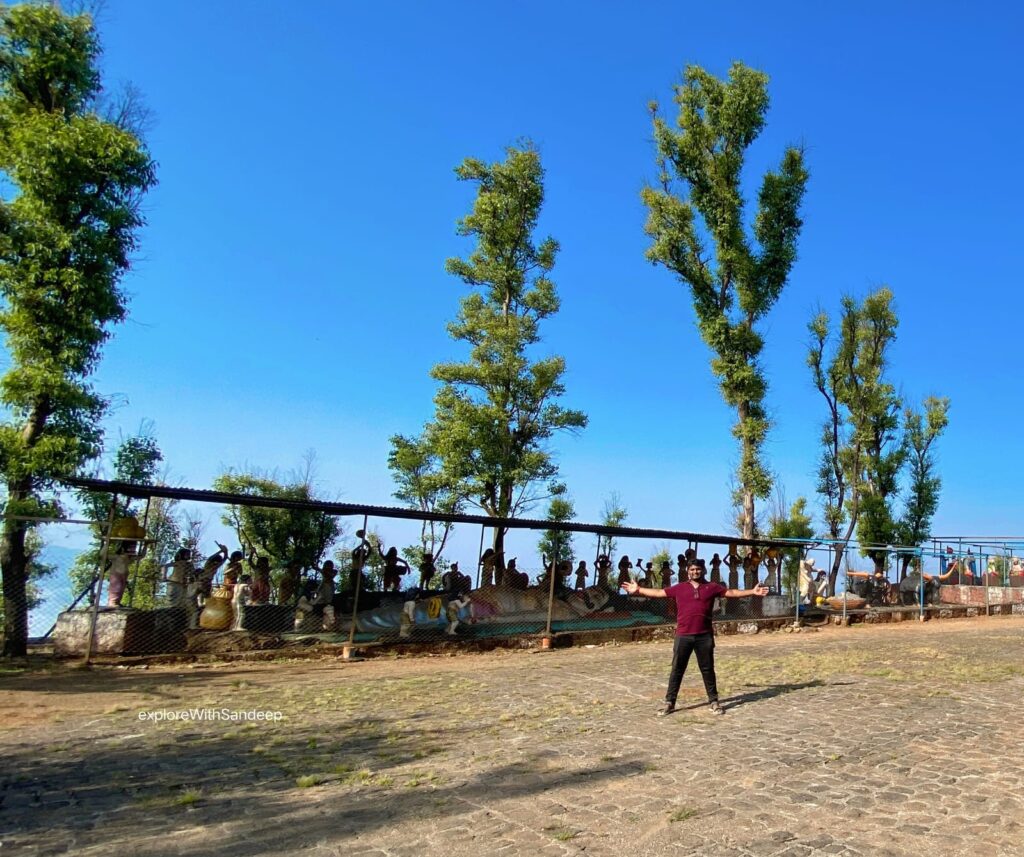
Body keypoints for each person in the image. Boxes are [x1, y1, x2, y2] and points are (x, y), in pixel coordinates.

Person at [621, 558, 768, 716]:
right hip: (683, 635)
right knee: (677, 670)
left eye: (698, 569)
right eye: (692, 569)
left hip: (704, 636)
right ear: (687, 571)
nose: (695, 572)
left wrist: (752, 592)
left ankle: (714, 701)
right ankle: (669, 702)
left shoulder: (711, 587)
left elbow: (731, 592)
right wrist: (638, 590)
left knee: (707, 669)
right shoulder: (680, 588)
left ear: (703, 570)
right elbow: (658, 593)